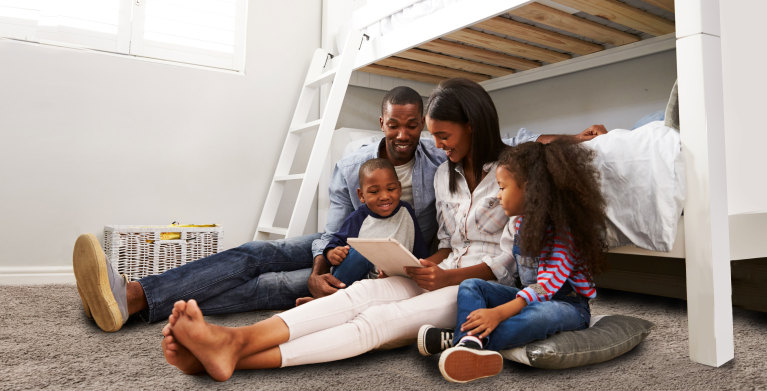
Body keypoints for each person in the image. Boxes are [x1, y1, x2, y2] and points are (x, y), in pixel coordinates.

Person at [158, 78, 605, 382]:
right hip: (445, 268)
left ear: (474, 125)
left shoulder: (513, 173)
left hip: (481, 284)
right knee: (357, 296)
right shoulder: (441, 174)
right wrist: (421, 266)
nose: (438, 144)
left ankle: (233, 355)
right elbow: (449, 243)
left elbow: (511, 255)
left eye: (444, 135)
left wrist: (579, 139)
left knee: (378, 321)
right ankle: (234, 341)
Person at [72, 86, 448, 332]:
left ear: (423, 127)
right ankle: (134, 294)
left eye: (413, 126)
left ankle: (132, 303)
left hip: (381, 266)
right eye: (394, 124)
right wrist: (319, 270)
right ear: (381, 122)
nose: (402, 134)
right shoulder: (353, 164)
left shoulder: (437, 166)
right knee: (259, 252)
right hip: (344, 244)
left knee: (272, 286)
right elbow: (334, 229)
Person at [424, 141, 608, 383]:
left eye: (502, 188)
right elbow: (518, 280)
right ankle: (469, 342)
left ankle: (463, 342)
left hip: (567, 306)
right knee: (472, 285)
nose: (498, 196)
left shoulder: (563, 233)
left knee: (537, 317)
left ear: (530, 190)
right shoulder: (519, 223)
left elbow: (545, 288)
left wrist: (498, 313)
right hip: (526, 296)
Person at [306, 158, 429, 294]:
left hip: (391, 281)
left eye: (391, 189)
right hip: (353, 279)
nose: (384, 196)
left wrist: (421, 269)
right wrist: (332, 253)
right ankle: (331, 296)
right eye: (374, 192)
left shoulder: (407, 212)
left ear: (399, 189)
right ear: (361, 195)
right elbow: (336, 242)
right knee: (361, 253)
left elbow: (418, 248)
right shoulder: (358, 217)